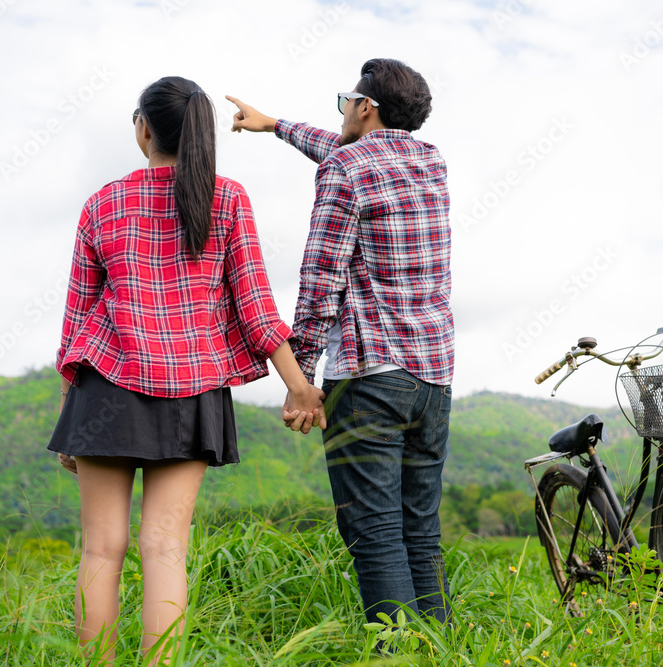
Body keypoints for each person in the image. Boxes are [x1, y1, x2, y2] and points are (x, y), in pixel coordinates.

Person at [48, 75, 326, 665]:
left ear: (144, 128)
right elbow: (255, 309)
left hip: (104, 390)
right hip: (192, 388)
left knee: (101, 550)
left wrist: (70, 416)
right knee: (166, 548)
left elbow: (77, 323)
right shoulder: (226, 199)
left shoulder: (103, 202)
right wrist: (299, 386)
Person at [227, 58, 455, 627]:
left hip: (369, 377)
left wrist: (300, 381)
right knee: (418, 529)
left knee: (374, 531)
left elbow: (321, 280)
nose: (343, 112)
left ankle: (398, 656)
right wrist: (275, 124)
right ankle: (441, 649)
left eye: (345, 102)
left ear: (365, 107)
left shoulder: (347, 170)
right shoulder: (430, 162)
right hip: (434, 379)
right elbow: (345, 149)